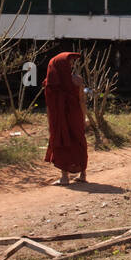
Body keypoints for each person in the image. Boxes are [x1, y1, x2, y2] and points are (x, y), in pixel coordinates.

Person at [44, 52, 88, 185]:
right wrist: (84, 117)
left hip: (60, 117)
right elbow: (82, 101)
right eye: (70, 63)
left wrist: (49, 121)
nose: (72, 65)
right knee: (79, 141)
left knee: (62, 141)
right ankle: (83, 174)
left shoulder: (51, 83)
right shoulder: (78, 80)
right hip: (76, 115)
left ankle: (64, 177)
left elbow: (49, 105)